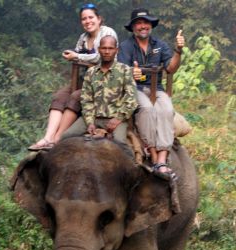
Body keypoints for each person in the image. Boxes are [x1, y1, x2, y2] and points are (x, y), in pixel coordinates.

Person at [28, 3, 118, 151]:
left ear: (99, 19)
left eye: (91, 17)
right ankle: (48, 137)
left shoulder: (108, 33)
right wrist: (73, 56)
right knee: (60, 96)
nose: (88, 21)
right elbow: (78, 58)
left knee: (76, 96)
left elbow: (102, 57)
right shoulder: (83, 38)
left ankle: (57, 139)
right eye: (84, 19)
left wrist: (77, 56)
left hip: (105, 82)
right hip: (85, 80)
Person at [117, 8, 185, 179]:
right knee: (147, 109)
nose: (142, 26)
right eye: (138, 23)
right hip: (135, 89)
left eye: (146, 22)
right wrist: (131, 73)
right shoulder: (125, 47)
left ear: (150, 26)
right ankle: (154, 156)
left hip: (157, 88)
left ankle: (162, 159)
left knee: (167, 110)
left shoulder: (160, 45)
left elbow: (171, 68)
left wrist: (178, 50)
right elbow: (120, 70)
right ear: (133, 27)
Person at [61, 35, 138, 155]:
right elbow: (86, 100)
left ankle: (135, 169)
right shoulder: (91, 73)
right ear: (99, 49)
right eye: (104, 48)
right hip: (94, 117)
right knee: (66, 136)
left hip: (116, 119)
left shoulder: (124, 70)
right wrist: (90, 122)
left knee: (120, 143)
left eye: (110, 48)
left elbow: (131, 99)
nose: (107, 51)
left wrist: (118, 118)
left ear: (116, 50)